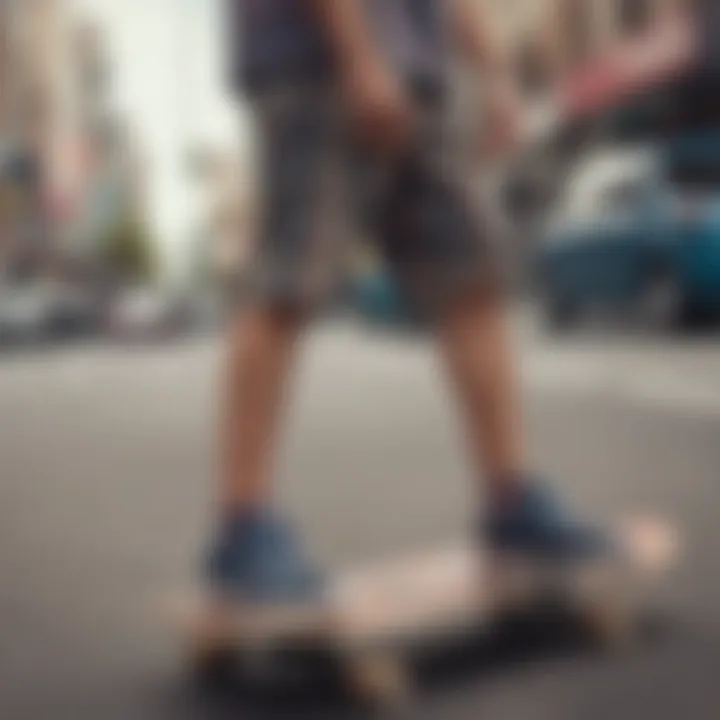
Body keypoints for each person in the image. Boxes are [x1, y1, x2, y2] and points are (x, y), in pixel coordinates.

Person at [207, 0, 610, 604]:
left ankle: (512, 501)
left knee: (473, 277)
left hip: (419, 76)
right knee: (290, 283)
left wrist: (493, 75)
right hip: (316, 64)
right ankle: (242, 529)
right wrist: (359, 53)